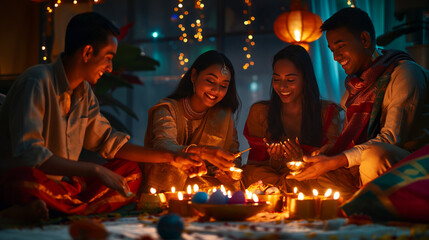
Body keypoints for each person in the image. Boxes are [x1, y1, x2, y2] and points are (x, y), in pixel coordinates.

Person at [0, 12, 205, 225]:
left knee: (129, 171)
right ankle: (50, 209)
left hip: (61, 187)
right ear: (88, 52)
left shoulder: (84, 92)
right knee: (28, 180)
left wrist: (173, 157)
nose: (110, 68)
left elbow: (109, 142)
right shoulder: (36, 82)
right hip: (22, 182)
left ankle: (53, 208)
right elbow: (31, 157)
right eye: (108, 58)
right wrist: (95, 170)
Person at [287, 8, 429, 199]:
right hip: (368, 163)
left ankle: (371, 213)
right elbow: (353, 137)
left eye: (340, 46)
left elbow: (390, 140)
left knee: (373, 157)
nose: (336, 57)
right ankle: (350, 206)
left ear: (364, 39)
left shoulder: (404, 73)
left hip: (415, 163)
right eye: (332, 50)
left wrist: (337, 160)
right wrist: (331, 152)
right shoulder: (355, 85)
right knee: (304, 178)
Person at [242, 44, 342, 194]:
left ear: (305, 79)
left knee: (330, 181)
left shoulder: (328, 113)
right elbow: (255, 165)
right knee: (248, 174)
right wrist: (275, 160)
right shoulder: (260, 112)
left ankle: (282, 190)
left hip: (310, 178)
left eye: (290, 80)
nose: (282, 87)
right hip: (273, 178)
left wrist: (300, 160)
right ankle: (285, 189)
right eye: (276, 79)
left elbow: (331, 163)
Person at [143, 50, 242, 192]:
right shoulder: (167, 109)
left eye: (224, 85)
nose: (216, 90)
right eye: (210, 81)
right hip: (168, 184)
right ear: (194, 76)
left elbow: (234, 157)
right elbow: (163, 146)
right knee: (173, 167)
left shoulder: (225, 116)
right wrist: (201, 152)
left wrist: (227, 170)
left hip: (208, 185)